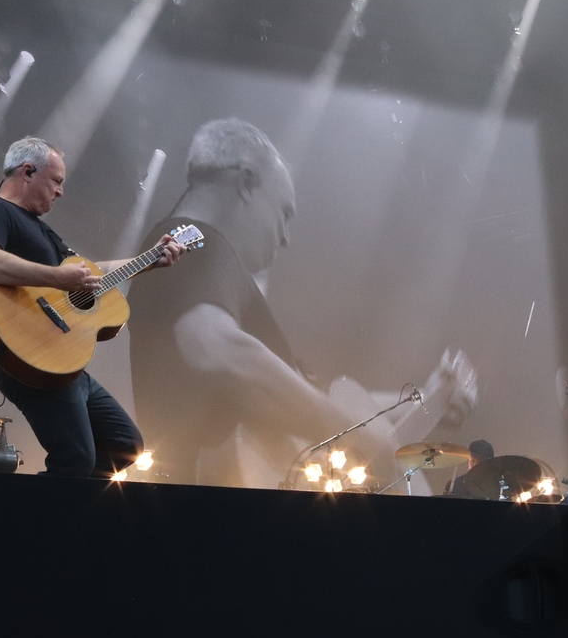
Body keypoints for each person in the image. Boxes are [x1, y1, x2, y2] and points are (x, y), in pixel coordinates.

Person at [128, 118, 474, 487]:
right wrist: (356, 438)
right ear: (246, 183)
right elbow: (214, 349)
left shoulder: (194, 255)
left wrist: (424, 401)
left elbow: (305, 403)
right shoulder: (190, 241)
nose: (286, 238)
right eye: (284, 213)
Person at [0, 137, 183, 478]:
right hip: (28, 355)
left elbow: (91, 274)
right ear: (27, 172)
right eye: (56, 181)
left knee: (125, 445)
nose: (61, 191)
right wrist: (58, 278)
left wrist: (149, 260)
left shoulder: (42, 231)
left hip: (63, 361)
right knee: (75, 458)